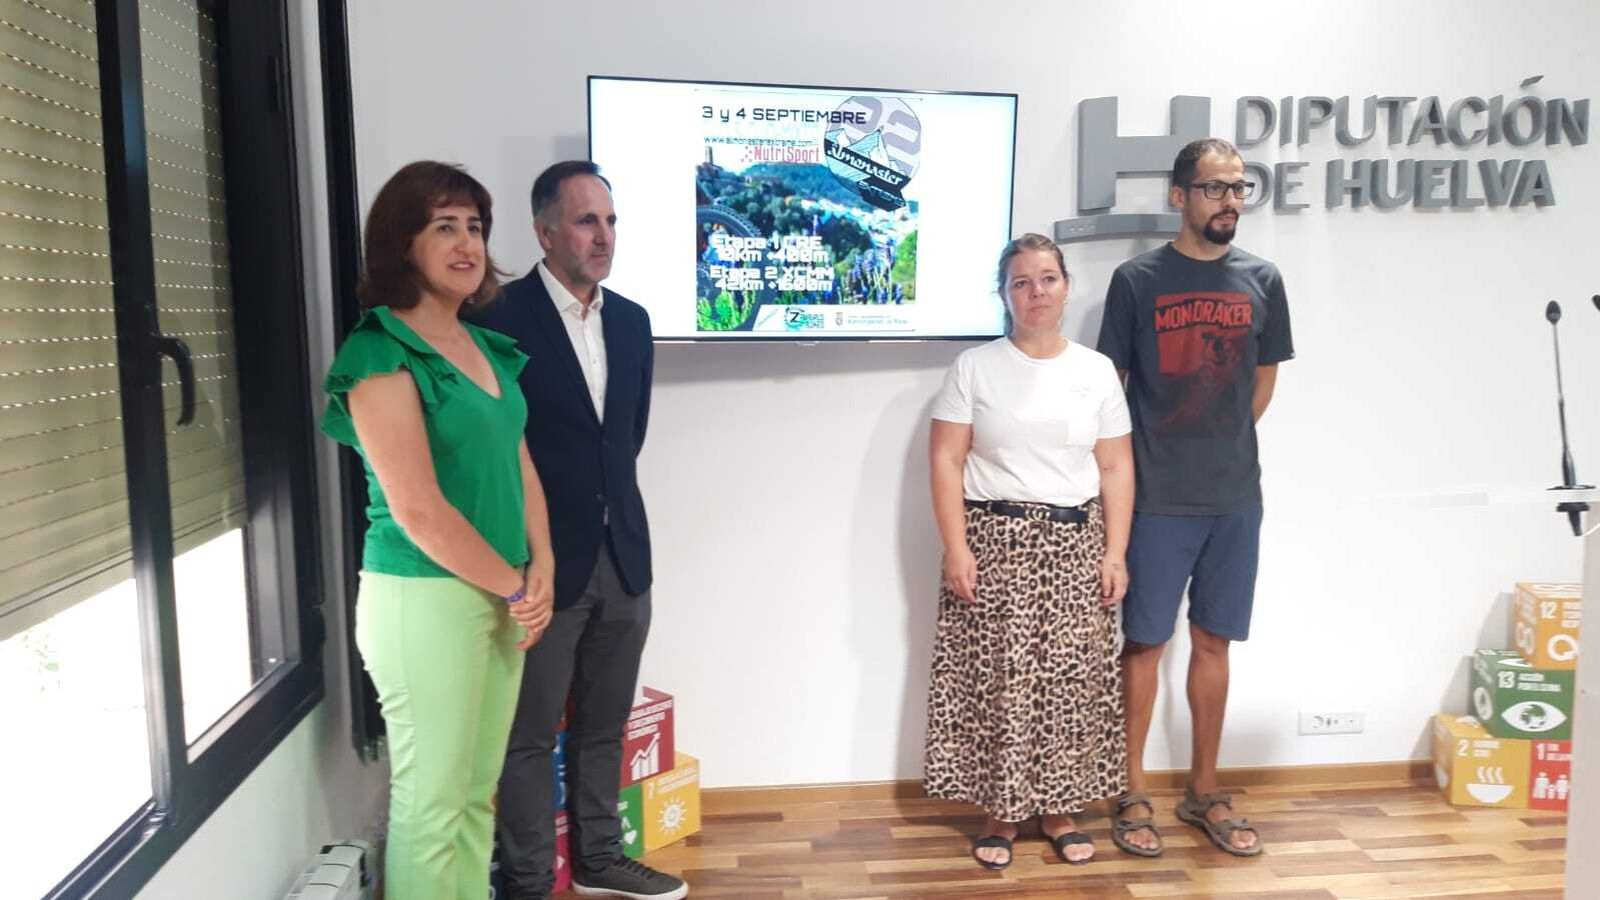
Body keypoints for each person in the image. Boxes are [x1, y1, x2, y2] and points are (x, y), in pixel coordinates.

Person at [321, 161, 556, 900]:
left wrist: (542, 564)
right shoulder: (378, 351)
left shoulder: (484, 348)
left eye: (475, 227)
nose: (467, 244)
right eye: (444, 227)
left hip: (501, 593)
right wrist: (516, 587)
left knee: (475, 796)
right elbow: (418, 509)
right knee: (432, 806)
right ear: (404, 244)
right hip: (423, 597)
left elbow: (519, 463)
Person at [477, 161, 685, 900]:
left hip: (623, 555)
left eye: (611, 221)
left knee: (605, 723)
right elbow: (496, 448)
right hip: (539, 563)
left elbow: (627, 438)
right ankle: (528, 881)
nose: (604, 236)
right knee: (529, 735)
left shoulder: (631, 321)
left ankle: (599, 858)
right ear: (544, 232)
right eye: (586, 221)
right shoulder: (498, 318)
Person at [1096, 137, 1295, 859]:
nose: (1230, 201)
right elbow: (1111, 389)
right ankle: (1130, 790)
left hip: (1235, 497)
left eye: (1239, 187)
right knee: (1144, 643)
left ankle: (1203, 789)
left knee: (1215, 640)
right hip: (1155, 497)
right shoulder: (1136, 280)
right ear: (1179, 196)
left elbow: (1263, 378)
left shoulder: (1263, 278)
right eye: (1215, 188)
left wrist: (1222, 439)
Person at [923, 233, 1135, 870]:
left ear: (1066, 288)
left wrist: (1116, 553)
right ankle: (1001, 813)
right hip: (995, 542)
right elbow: (947, 459)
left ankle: (1060, 811)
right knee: (1001, 683)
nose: (1035, 292)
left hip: (1076, 544)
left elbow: (1116, 466)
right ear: (1004, 295)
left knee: (1068, 683)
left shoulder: (1095, 371)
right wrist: (955, 548)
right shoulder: (974, 367)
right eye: (1021, 282)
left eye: (1047, 278)